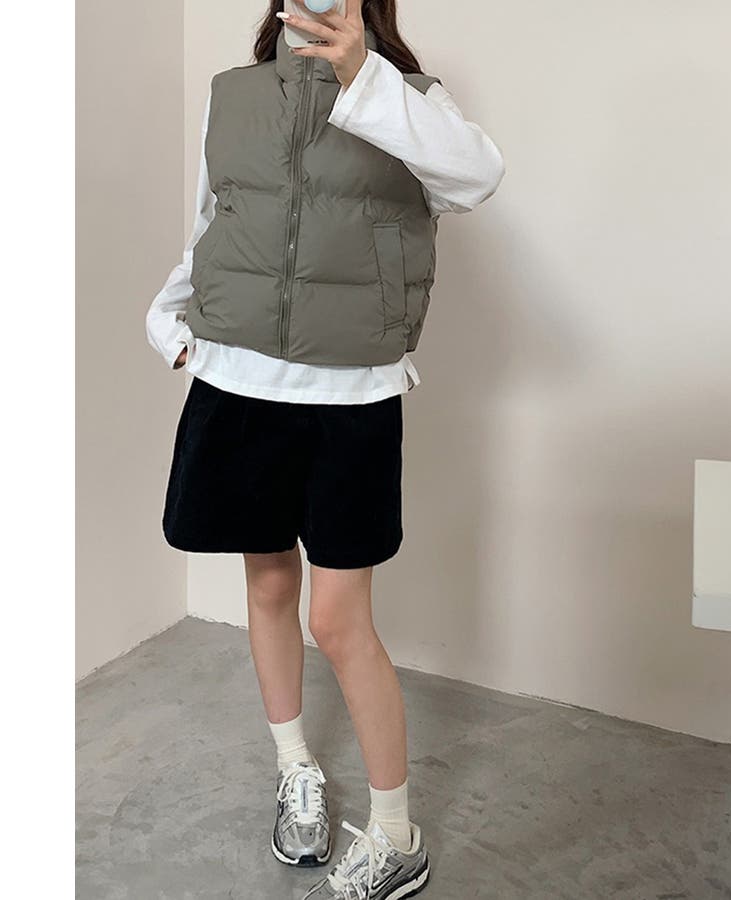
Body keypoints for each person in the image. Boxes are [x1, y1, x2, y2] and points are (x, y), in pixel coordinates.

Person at [145, 2, 505, 898]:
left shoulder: (409, 96)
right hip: (238, 384)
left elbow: (477, 177)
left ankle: (396, 836)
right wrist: (172, 323)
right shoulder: (232, 93)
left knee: (339, 623)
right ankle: (294, 767)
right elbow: (216, 220)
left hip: (350, 395)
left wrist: (364, 78)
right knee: (268, 585)